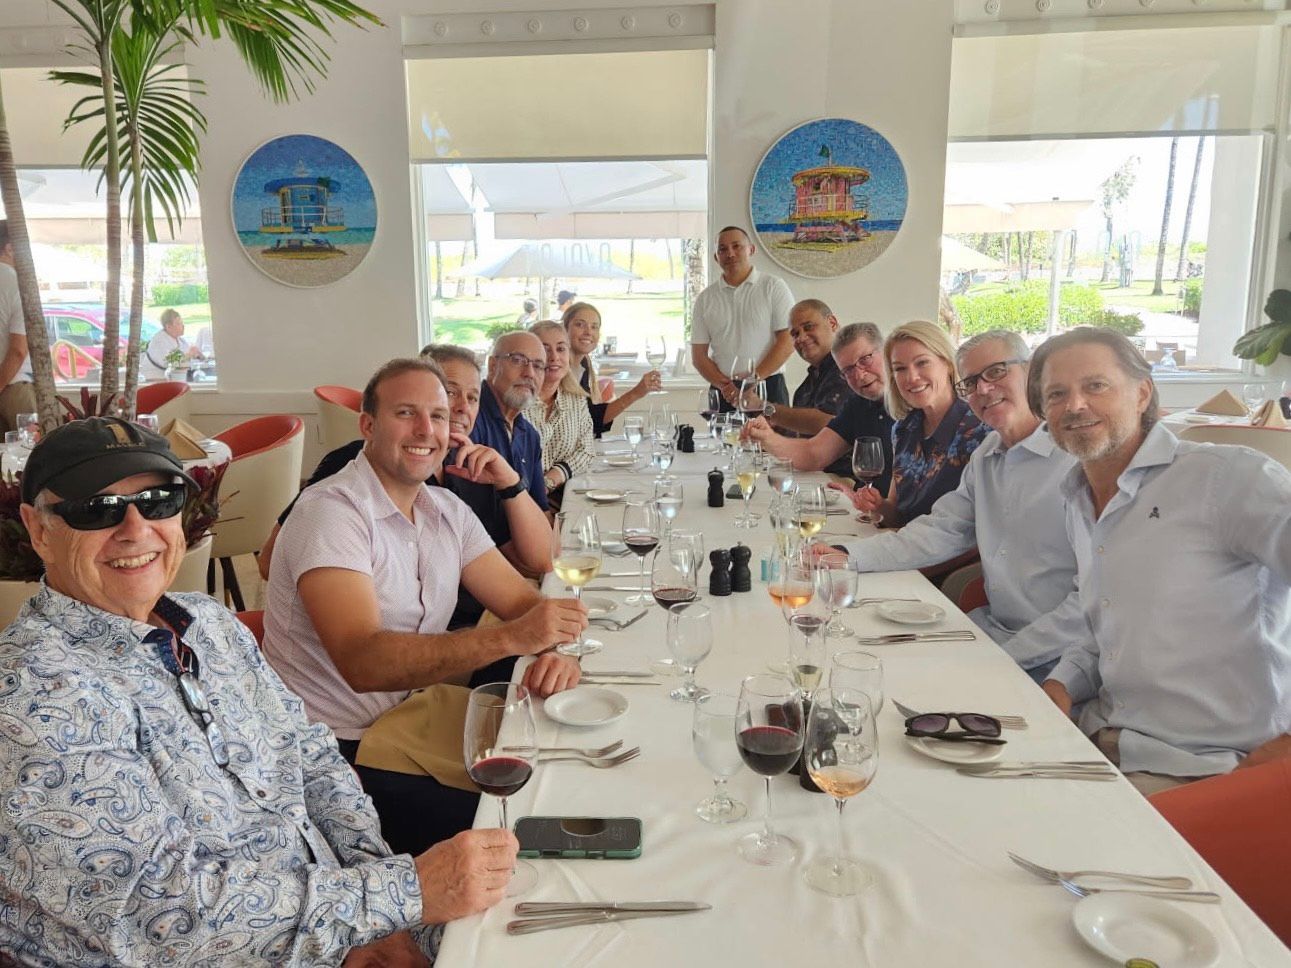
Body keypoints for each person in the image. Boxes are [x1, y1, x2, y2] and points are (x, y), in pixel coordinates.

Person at [0, 417, 517, 965]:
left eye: (158, 501)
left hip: (338, 914)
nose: (135, 528)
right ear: (39, 530)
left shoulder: (207, 622)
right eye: (96, 509)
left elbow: (310, 756)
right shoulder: (36, 692)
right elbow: (160, 913)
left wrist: (378, 915)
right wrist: (401, 895)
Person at [264, 358, 584, 853]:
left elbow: (523, 602)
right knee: (528, 828)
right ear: (368, 425)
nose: (425, 430)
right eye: (405, 413)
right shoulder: (331, 513)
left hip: (412, 716)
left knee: (562, 771)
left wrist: (554, 650)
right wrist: (514, 637)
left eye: (437, 416)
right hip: (334, 754)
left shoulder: (446, 510)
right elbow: (364, 662)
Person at [1031, 327, 1291, 794]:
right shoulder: (1077, 498)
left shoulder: (1225, 479)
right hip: (1101, 740)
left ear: (1142, 393)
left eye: (1096, 385)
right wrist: (1061, 685)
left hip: (1203, 769)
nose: (1075, 405)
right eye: (1056, 394)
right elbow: (1108, 630)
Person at [830, 330, 1080, 682]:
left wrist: (1002, 659)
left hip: (1059, 659)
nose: (984, 389)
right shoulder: (987, 455)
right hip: (992, 632)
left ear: (1031, 372)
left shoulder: (1077, 464)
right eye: (971, 382)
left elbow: (1093, 602)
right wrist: (845, 555)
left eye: (996, 372)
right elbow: (940, 530)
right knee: (861, 661)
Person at [259, 344, 552, 635]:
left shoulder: (470, 473)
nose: (462, 406)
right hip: (430, 643)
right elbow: (271, 563)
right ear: (369, 425)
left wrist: (510, 483)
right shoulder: (349, 473)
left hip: (453, 634)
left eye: (473, 397)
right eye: (450, 392)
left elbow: (540, 560)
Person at [847, 319, 987, 528]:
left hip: (945, 548)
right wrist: (878, 505)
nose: (911, 377)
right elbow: (897, 514)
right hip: (906, 543)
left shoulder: (980, 430)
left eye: (922, 363)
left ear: (948, 364)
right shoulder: (903, 430)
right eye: (900, 369)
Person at [743, 322, 894, 490]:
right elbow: (813, 454)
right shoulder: (858, 404)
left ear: (887, 352)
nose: (859, 375)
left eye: (865, 360)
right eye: (848, 370)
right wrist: (767, 438)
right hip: (863, 502)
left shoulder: (912, 402)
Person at [690, 226, 794, 408]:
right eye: (722, 249)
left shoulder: (773, 287)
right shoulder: (705, 299)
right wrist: (725, 386)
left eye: (736, 246)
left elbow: (788, 341)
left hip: (767, 385)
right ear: (716, 257)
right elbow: (698, 356)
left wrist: (752, 380)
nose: (730, 254)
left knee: (775, 429)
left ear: (751, 249)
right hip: (724, 390)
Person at [749, 298, 853, 439]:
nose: (801, 338)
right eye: (795, 334)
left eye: (808, 327)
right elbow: (801, 435)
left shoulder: (849, 367)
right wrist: (770, 430)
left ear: (832, 323)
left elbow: (827, 423)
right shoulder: (806, 387)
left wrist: (765, 408)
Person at [473, 329, 549, 509]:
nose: (529, 373)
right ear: (493, 366)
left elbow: (540, 510)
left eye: (538, 366)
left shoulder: (530, 435)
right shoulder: (469, 420)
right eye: (517, 360)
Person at [564, 301, 660, 437]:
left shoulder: (583, 364)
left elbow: (590, 418)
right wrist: (636, 393)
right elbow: (589, 421)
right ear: (564, 329)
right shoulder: (558, 369)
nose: (588, 332)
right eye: (580, 325)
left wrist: (638, 392)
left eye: (594, 327)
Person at [524, 320, 595, 503]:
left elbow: (586, 451)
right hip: (519, 499)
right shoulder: (516, 402)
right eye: (545, 349)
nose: (554, 357)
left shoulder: (576, 399)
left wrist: (551, 480)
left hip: (560, 496)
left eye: (561, 349)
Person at [0, 221, 35, 432]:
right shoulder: (19, 284)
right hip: (15, 386)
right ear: (10, 248)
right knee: (28, 450)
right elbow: (18, 350)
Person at [142, 307, 204, 381]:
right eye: (178, 323)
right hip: (157, 380)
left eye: (182, 323)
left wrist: (198, 356)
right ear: (168, 326)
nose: (183, 326)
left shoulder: (180, 340)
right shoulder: (159, 341)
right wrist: (189, 355)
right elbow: (169, 363)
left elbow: (190, 359)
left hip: (177, 378)